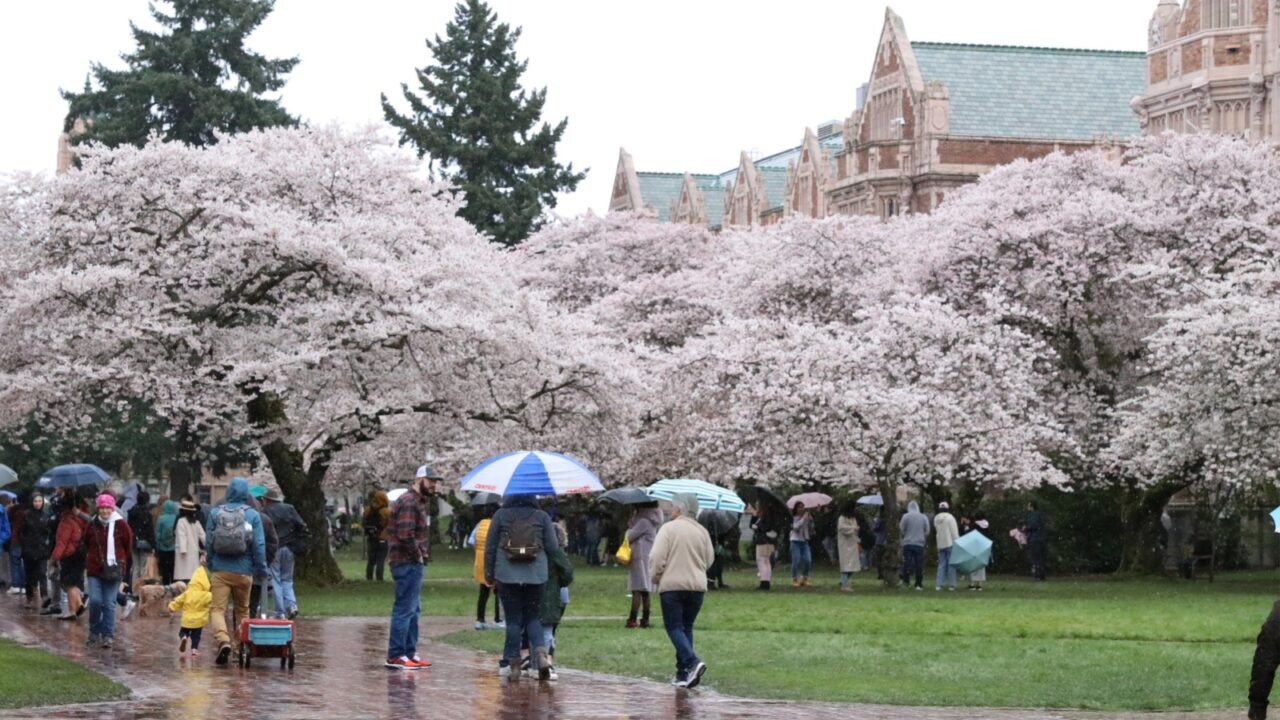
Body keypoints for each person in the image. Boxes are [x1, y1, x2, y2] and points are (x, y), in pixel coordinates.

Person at [484, 492, 559, 681]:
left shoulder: (501, 515)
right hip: (535, 575)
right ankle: (541, 657)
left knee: (513, 620)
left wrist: (489, 574)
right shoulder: (542, 516)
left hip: (507, 574)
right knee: (533, 617)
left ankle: (514, 664)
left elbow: (490, 547)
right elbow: (553, 547)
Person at [650, 493, 714, 689]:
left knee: (674, 627)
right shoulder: (702, 531)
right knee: (686, 628)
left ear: (679, 509)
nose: (670, 511)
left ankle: (692, 661)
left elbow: (657, 557)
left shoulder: (668, 529)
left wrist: (655, 577)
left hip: (673, 586)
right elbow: (709, 559)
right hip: (697, 587)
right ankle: (682, 673)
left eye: (672, 507)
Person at [205, 477, 267, 666]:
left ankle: (223, 640)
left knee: (217, 609)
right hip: (244, 571)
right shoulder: (253, 515)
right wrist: (261, 567)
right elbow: (258, 544)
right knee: (243, 610)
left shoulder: (216, 513)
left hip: (220, 570)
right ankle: (240, 645)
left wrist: (211, 562)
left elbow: (209, 542)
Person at [385, 466, 436, 670]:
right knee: (405, 608)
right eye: (430, 480)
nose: (433, 485)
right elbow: (405, 534)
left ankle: (409, 652)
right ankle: (397, 654)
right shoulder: (408, 502)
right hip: (406, 562)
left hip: (410, 561)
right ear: (419, 479)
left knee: (413, 609)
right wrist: (419, 555)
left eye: (435, 481)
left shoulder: (417, 502)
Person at [84, 493, 133, 649]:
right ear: (98, 508)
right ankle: (94, 631)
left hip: (113, 569)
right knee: (95, 601)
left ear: (112, 508)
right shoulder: (91, 525)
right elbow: (86, 543)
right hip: (94, 569)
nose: (105, 511)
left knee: (109, 603)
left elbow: (127, 546)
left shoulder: (121, 525)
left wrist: (123, 566)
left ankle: (107, 634)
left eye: (107, 507)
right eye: (102, 508)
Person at [262, 487, 307, 619]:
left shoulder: (265, 511)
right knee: (287, 579)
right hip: (289, 548)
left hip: (274, 549)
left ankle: (280, 612)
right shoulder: (289, 508)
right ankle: (292, 605)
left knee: (275, 579)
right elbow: (301, 525)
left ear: (267, 500)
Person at [50, 488, 91, 620]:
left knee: (68, 583)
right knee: (73, 581)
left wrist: (54, 558)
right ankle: (76, 607)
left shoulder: (66, 521)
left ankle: (75, 607)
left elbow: (62, 542)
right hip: (81, 552)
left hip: (70, 554)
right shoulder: (80, 519)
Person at [625, 503, 662, 628]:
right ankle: (645, 619)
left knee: (637, 589)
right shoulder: (652, 520)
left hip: (639, 558)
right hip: (647, 557)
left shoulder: (643, 522)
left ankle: (632, 618)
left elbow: (629, 536)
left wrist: (629, 527)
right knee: (645, 591)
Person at [469, 504, 503, 630]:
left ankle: (480, 619)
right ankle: (498, 619)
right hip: (494, 560)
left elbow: (472, 542)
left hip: (480, 561)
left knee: (483, 593)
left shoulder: (480, 525)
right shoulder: (497, 525)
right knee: (499, 592)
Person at [169, 565, 212, 658]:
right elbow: (214, 600)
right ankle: (194, 650)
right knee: (196, 637)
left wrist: (171, 607)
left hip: (187, 619)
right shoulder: (206, 595)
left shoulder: (187, 593)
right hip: (199, 621)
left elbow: (178, 601)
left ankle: (184, 637)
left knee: (182, 631)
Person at [19, 493, 52, 610]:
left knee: (42, 573)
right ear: (31, 502)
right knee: (30, 576)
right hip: (29, 550)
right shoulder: (26, 515)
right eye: (35, 501)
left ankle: (44, 596)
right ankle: (29, 598)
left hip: (42, 549)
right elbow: (21, 533)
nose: (38, 503)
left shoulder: (46, 515)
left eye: (40, 501)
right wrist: (25, 546)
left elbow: (48, 531)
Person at [127, 489, 156, 590]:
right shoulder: (147, 514)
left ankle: (134, 590)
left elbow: (129, 528)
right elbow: (150, 530)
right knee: (143, 568)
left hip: (134, 543)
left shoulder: (131, 513)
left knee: (135, 567)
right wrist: (153, 544)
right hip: (145, 543)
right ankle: (141, 590)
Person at [749, 503, 780, 591]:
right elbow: (751, 525)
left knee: (762, 561)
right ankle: (766, 582)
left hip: (763, 541)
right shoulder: (763, 517)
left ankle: (764, 583)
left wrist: (757, 527)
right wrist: (754, 517)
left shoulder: (766, 518)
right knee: (766, 562)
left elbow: (763, 527)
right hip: (768, 541)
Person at [899, 501, 929, 590]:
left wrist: (905, 534)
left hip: (907, 543)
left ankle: (906, 581)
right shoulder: (923, 517)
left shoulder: (906, 516)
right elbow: (927, 530)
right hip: (919, 544)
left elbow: (901, 528)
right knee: (919, 564)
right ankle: (918, 583)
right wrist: (922, 536)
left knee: (907, 563)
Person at [173, 497, 203, 583]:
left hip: (184, 554)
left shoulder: (181, 521)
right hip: (194, 552)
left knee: (183, 576)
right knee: (192, 576)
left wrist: (183, 550)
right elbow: (203, 536)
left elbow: (182, 537)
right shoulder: (196, 522)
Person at [364, 490, 391, 582]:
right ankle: (379, 578)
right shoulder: (386, 511)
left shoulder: (367, 510)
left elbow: (364, 522)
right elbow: (391, 524)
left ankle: (369, 577)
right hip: (383, 538)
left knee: (371, 560)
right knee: (381, 559)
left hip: (371, 538)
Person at [933, 501, 959, 592]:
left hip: (940, 543)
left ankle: (938, 584)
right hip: (950, 543)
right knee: (951, 565)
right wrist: (957, 541)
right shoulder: (950, 518)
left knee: (941, 564)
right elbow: (954, 532)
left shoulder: (936, 518)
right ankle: (951, 585)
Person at [836, 502, 861, 592]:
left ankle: (843, 581)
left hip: (853, 543)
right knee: (845, 565)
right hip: (844, 545)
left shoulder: (853, 518)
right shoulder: (842, 518)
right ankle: (844, 585)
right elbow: (841, 528)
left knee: (853, 566)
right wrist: (853, 528)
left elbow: (855, 530)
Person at [789, 502, 814, 588]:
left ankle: (804, 578)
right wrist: (803, 519)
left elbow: (811, 530)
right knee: (796, 560)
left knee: (808, 560)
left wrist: (810, 521)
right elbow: (795, 527)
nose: (801, 509)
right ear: (796, 509)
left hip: (804, 541)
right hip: (795, 541)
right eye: (799, 507)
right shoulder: (794, 518)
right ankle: (794, 579)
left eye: (803, 507)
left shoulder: (807, 518)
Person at [153, 499, 178, 585]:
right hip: (174, 547)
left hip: (162, 548)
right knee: (173, 568)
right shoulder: (177, 518)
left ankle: (166, 586)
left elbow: (158, 534)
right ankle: (174, 585)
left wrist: (157, 545)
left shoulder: (161, 518)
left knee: (164, 569)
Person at [1025, 501, 1048, 581]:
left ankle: (1037, 575)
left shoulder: (1034, 515)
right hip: (1041, 539)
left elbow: (1034, 526)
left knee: (1036, 557)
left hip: (1035, 539)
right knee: (1041, 557)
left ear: (1032, 507)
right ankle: (1041, 574)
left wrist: (1026, 528)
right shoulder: (1040, 515)